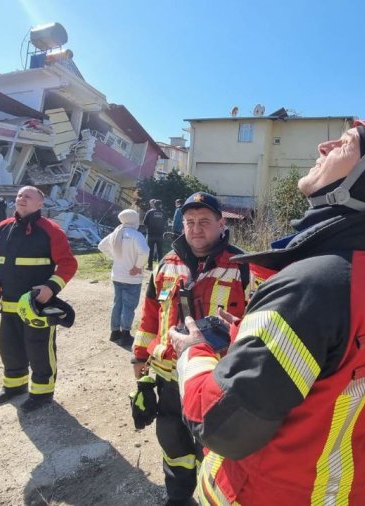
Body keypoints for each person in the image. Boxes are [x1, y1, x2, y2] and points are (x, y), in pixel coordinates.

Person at [169, 112, 365, 505]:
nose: (324, 147)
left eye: (345, 143)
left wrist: (195, 351)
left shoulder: (313, 287)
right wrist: (248, 338)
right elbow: (330, 375)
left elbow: (221, 426)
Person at [133, 192, 250, 506]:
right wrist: (139, 359)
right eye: (190, 222)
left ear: (221, 224)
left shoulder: (243, 266)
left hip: (217, 381)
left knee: (215, 449)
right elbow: (149, 315)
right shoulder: (166, 263)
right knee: (173, 442)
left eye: (204, 221)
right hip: (169, 378)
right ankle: (178, 497)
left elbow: (256, 326)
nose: (196, 228)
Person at [0, 186, 78, 412]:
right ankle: (14, 386)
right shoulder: (3, 228)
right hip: (9, 305)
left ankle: (42, 393)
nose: (21, 198)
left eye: (28, 196)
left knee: (39, 350)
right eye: (19, 195)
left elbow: (68, 263)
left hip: (37, 306)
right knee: (9, 348)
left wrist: (51, 287)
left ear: (40, 204)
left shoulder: (51, 230)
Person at [98, 208, 149, 347]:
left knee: (117, 304)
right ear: (134, 220)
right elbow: (144, 252)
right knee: (129, 306)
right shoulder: (136, 235)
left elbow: (101, 246)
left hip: (117, 275)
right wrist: (138, 266)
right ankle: (125, 334)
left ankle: (114, 332)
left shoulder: (116, 233)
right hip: (132, 277)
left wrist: (115, 257)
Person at [143, 199, 166, 270]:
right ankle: (160, 267)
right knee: (160, 251)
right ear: (160, 205)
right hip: (160, 234)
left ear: (154, 204)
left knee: (150, 250)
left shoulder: (150, 212)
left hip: (151, 234)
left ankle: (150, 266)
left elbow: (145, 222)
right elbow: (166, 222)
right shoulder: (163, 213)